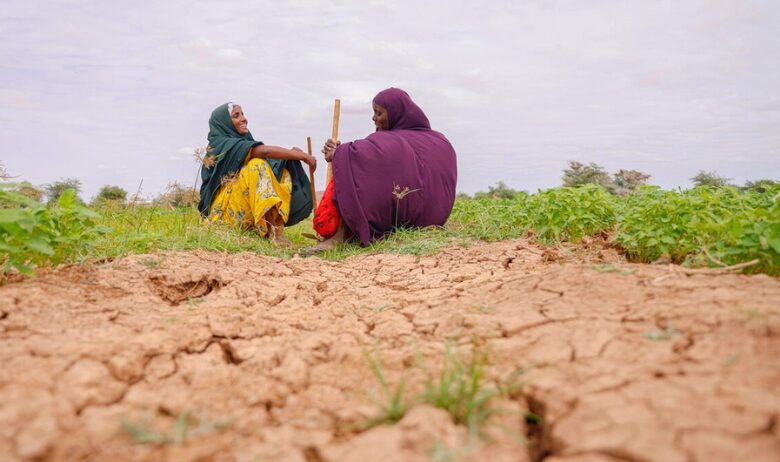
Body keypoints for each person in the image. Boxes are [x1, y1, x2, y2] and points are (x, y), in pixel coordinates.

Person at [308, 88, 457, 252]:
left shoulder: (387, 141)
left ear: (395, 114)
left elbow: (365, 156)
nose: (374, 118)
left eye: (378, 113)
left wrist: (339, 154)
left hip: (407, 216)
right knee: (350, 159)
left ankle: (339, 236)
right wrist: (341, 153)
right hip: (434, 220)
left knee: (349, 163)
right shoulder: (441, 140)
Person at [198, 102, 316, 245]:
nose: (243, 119)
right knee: (257, 166)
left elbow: (270, 163)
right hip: (222, 217)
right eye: (236, 116)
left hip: (242, 211)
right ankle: (272, 233)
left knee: (283, 171)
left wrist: (290, 155)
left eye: (242, 114)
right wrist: (302, 156)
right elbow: (264, 152)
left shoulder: (243, 141)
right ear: (224, 123)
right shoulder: (220, 144)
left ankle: (274, 228)